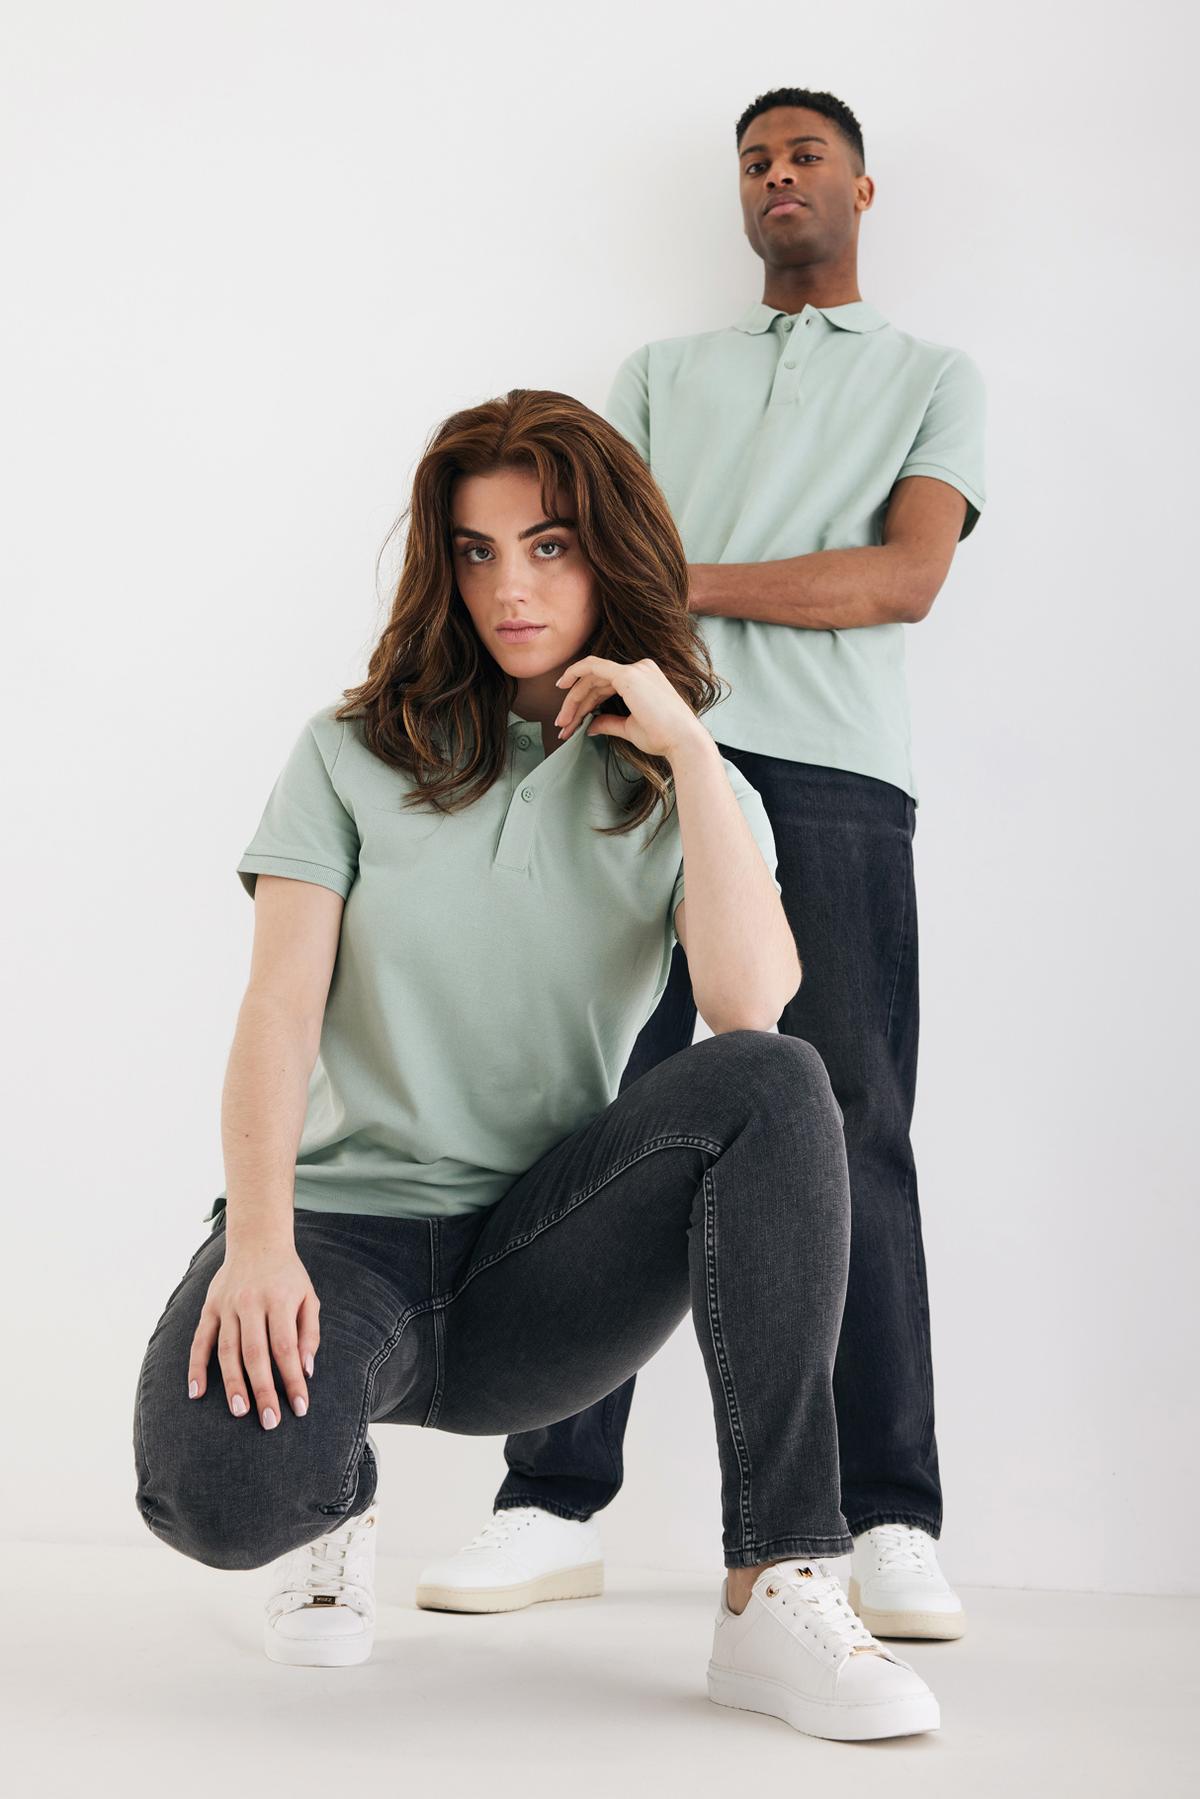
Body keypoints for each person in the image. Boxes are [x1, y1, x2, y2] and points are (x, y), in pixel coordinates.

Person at [131, 388, 942, 1741]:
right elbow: (277, 1009)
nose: (510, 586)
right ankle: (336, 1497)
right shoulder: (347, 754)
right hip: (341, 1244)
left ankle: (777, 1578)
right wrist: (258, 1244)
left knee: (775, 1078)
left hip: (541, 1259)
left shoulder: (680, 784)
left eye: (550, 546)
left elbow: (750, 1003)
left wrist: (690, 750)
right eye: (477, 550)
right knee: (215, 1500)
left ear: (610, 552)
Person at [421, 86, 986, 1642]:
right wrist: (682, 606)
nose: (776, 176)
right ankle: (549, 1505)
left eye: (804, 155)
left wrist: (690, 578)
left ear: (862, 187)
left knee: (856, 1127)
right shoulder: (659, 377)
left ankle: (889, 1519)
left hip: (842, 776)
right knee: (602, 1110)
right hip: (648, 756)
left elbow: (905, 577)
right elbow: (605, 570)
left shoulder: (933, 377)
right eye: (754, 162)